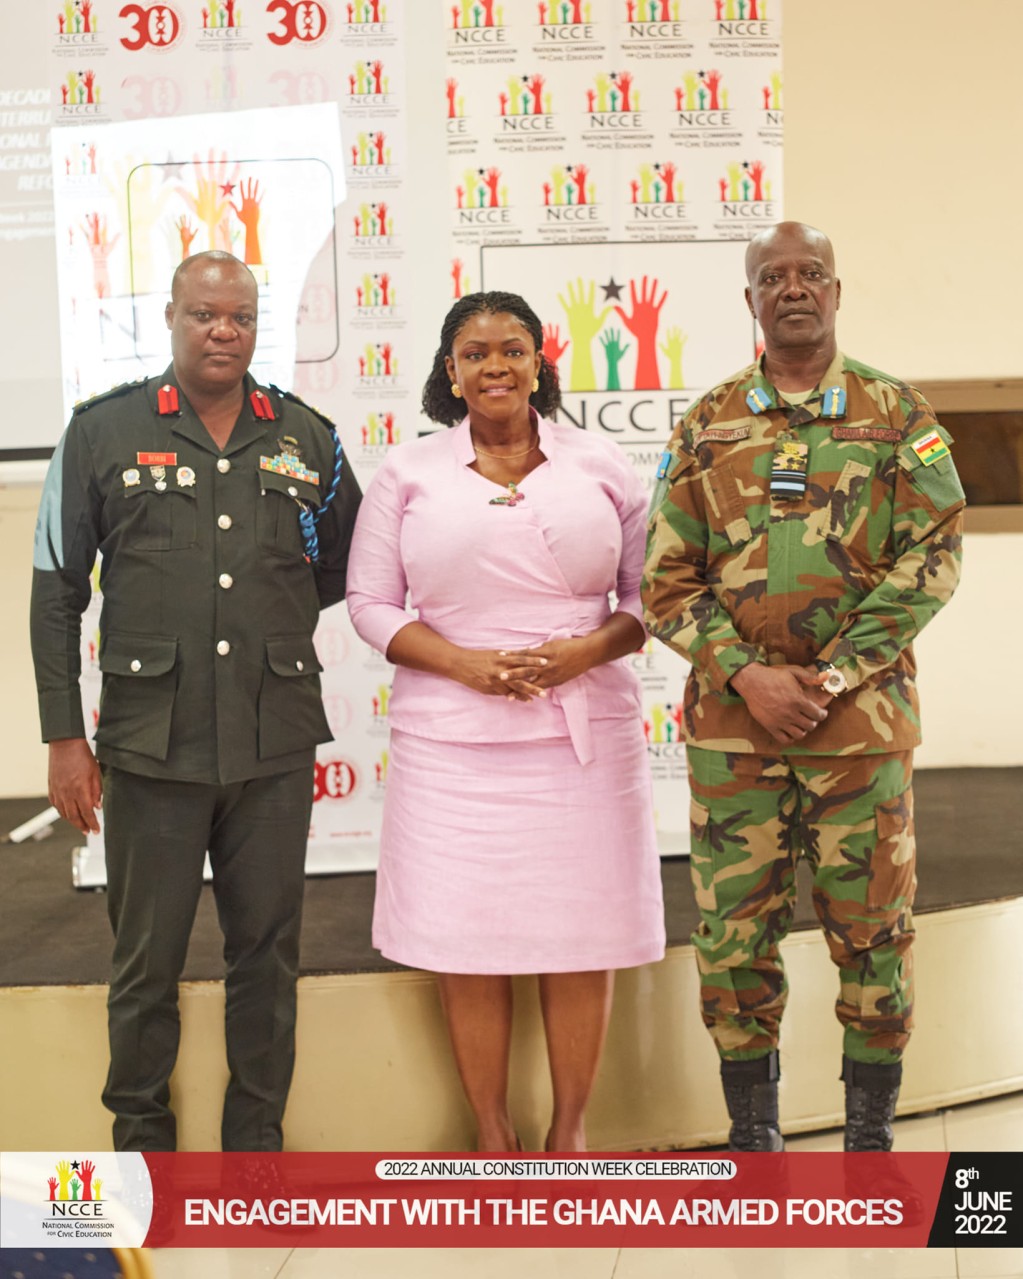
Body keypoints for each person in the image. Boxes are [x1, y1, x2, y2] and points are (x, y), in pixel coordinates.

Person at [642, 222, 965, 1152]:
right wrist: (746, 674)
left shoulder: (895, 414)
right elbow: (664, 579)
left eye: (810, 273)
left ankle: (868, 1136)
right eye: (772, 276)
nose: (792, 288)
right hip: (734, 735)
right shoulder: (707, 424)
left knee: (872, 934)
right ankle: (753, 1135)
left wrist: (828, 675)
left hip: (857, 733)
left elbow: (933, 557)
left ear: (835, 291)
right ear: (749, 300)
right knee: (732, 940)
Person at [30, 250, 362, 1151]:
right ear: (170, 317)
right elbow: (56, 590)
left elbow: (342, 566)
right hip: (151, 746)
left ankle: (256, 1151)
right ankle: (142, 1154)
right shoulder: (101, 432)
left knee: (268, 959)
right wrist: (64, 736)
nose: (223, 331)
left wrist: (261, 619)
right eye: (204, 314)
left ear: (257, 326)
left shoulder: (307, 439)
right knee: (145, 966)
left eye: (240, 317)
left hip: (270, 743)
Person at [345, 291, 665, 1152]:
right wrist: (465, 665)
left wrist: (584, 651)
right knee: (466, 940)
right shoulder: (407, 473)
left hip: (582, 741)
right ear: (450, 372)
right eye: (475, 353)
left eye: (512, 349)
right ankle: (492, 1132)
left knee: (582, 935)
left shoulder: (601, 464)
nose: (495, 366)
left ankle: (570, 1133)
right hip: (451, 747)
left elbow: (649, 598)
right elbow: (370, 602)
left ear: (538, 362)